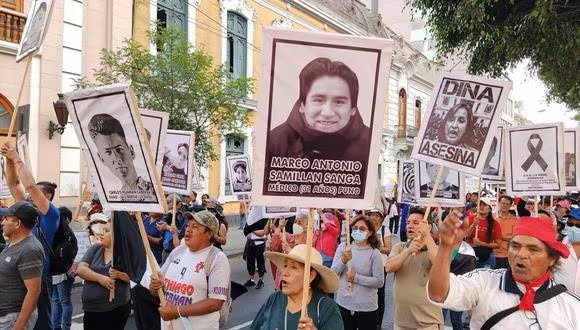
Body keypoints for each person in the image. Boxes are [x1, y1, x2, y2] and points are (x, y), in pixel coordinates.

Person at [428, 215, 580, 328]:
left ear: (552, 259)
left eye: (533, 249)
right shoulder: (484, 282)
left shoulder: (571, 306)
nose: (521, 254)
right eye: (515, 246)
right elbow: (439, 294)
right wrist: (445, 247)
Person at [266, 57, 371, 167]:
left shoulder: (370, 143)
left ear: (353, 109)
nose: (327, 113)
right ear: (302, 105)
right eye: (318, 100)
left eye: (339, 102)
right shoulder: (275, 142)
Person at [1, 142, 61, 330]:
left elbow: (29, 185)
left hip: (38, 273)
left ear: (48, 197)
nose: (28, 195)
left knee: (41, 322)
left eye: (35, 193)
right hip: (18, 275)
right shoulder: (26, 211)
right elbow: (13, 184)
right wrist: (8, 161)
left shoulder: (50, 215)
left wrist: (17, 157)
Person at [149, 210, 230, 330]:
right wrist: (155, 286)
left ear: (209, 234)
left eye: (195, 227)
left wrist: (177, 311)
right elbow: (157, 288)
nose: (188, 230)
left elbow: (216, 302)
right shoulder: (178, 251)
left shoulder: (217, 258)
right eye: (187, 225)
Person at [251, 244, 343, 330]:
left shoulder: (326, 308)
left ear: (310, 276)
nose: (284, 273)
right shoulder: (274, 299)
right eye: (285, 266)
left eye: (294, 267)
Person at [385, 207, 443, 330]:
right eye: (408, 223)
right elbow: (388, 267)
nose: (410, 226)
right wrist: (408, 250)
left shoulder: (434, 249)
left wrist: (427, 236)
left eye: (416, 223)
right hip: (401, 322)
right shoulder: (400, 247)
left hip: (428, 323)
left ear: (428, 227)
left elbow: (439, 263)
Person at [76, 220, 131, 330]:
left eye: (106, 230)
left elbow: (133, 277)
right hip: (91, 309)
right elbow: (80, 269)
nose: (101, 233)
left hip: (114, 309)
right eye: (102, 230)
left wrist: (119, 274)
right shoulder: (95, 248)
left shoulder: (124, 253)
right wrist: (100, 278)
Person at [331, 215, 384, 329]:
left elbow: (379, 282)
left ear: (370, 233)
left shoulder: (374, 253)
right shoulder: (343, 247)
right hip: (344, 304)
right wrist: (343, 260)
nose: (357, 231)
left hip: (366, 308)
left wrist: (356, 278)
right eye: (355, 228)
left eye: (362, 229)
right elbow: (333, 274)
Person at [87, 113, 155, 200]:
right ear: (102, 159)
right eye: (108, 152)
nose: (117, 159)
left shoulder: (153, 193)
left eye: (119, 150)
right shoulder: (113, 199)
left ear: (131, 151)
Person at [0, 201, 44, 330]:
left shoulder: (29, 249)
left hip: (12, 319)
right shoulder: (14, 243)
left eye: (6, 219)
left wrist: (19, 326)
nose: (2, 222)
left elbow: (34, 291)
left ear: (17, 223)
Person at [51, 207, 75, 330]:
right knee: (64, 301)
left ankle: (56, 326)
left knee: (56, 300)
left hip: (53, 271)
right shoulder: (69, 234)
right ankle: (65, 327)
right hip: (66, 271)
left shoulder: (54, 231)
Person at [466, 200, 502, 269]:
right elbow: (464, 237)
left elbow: (498, 244)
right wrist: (473, 225)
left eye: (485, 205)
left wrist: (481, 243)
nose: (482, 207)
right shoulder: (469, 219)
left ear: (489, 208)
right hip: (469, 255)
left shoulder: (495, 224)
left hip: (487, 256)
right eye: (480, 204)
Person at [553, 207, 580, 294]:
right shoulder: (557, 245)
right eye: (570, 224)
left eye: (578, 225)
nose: (573, 228)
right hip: (561, 301)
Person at [495, 196, 519, 269]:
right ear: (499, 203)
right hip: (491, 254)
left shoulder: (515, 220)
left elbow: (515, 237)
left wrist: (499, 236)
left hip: (507, 255)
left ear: (510, 206)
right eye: (503, 203)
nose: (505, 205)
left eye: (507, 204)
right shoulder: (492, 217)